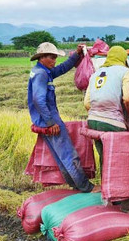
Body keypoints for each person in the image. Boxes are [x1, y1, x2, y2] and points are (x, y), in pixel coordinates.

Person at [84, 45, 129, 214]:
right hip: (113, 124)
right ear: (123, 58)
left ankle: (110, 199)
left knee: (106, 161)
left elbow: (87, 103)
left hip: (94, 123)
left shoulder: (96, 74)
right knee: (124, 164)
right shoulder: (124, 72)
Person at [27, 42, 94, 193]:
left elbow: (62, 68)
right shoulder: (41, 74)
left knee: (62, 157)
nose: (54, 60)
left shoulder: (43, 70)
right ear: (42, 57)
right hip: (49, 119)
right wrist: (51, 122)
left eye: (55, 57)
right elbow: (38, 100)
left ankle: (76, 185)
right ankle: (86, 186)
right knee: (68, 154)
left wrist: (76, 55)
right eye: (52, 57)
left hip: (45, 120)